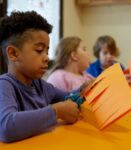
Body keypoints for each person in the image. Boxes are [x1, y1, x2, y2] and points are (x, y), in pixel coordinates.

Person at [0, 11, 81, 143]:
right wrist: (56, 112)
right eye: (39, 50)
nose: (46, 57)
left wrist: (84, 90)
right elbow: (5, 128)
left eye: (47, 51)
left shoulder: (40, 85)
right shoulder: (5, 85)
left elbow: (67, 97)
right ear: (13, 53)